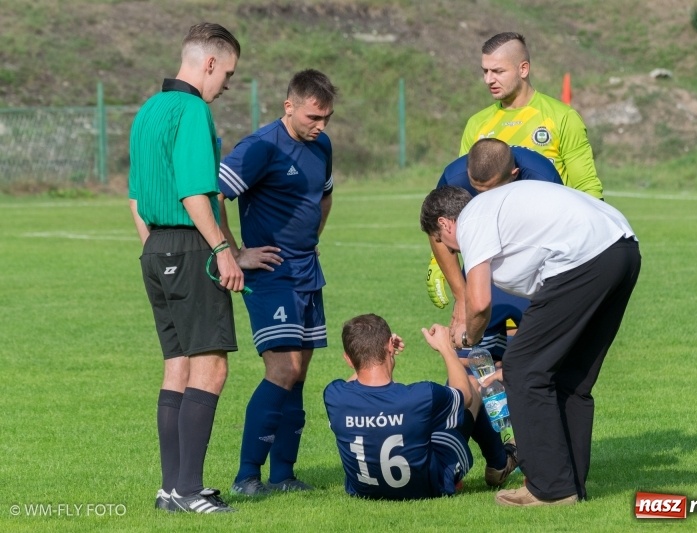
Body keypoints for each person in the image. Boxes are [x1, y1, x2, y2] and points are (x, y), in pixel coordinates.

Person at [420, 183, 641, 507]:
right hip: (623, 251)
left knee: (522, 368)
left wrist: (468, 339)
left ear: (444, 224)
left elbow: (479, 304)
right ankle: (569, 484)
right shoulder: (497, 212)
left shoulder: (471, 219)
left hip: (587, 258)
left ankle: (549, 487)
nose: (454, 252)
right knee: (569, 377)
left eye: (446, 246)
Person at [128, 22, 243, 513]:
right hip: (191, 247)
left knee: (176, 365)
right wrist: (219, 251)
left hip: (156, 248)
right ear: (209, 62)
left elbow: (135, 199)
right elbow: (196, 194)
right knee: (211, 366)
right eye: (228, 75)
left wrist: (163, 250)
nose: (225, 86)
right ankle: (190, 490)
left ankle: (170, 488)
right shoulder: (193, 109)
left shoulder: (148, 111)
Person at [217, 69, 337, 497]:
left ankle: (283, 475)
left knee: (299, 372)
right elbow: (213, 196)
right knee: (282, 368)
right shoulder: (260, 146)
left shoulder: (320, 144)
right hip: (270, 274)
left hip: (307, 270)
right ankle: (247, 476)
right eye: (313, 117)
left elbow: (324, 194)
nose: (320, 126)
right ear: (289, 106)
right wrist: (233, 252)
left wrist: (313, 237)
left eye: (326, 118)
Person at [428, 138, 563, 487]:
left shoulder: (542, 177)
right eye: (477, 190)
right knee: (466, 367)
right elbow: (437, 233)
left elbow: (556, 239)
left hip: (531, 278)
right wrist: (462, 298)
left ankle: (535, 458)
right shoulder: (455, 174)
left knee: (527, 371)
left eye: (491, 190)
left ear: (514, 174)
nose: (483, 198)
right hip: (481, 277)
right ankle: (480, 460)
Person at [323, 314, 481, 500]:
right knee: (471, 383)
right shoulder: (421, 395)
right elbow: (466, 395)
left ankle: (499, 463)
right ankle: (499, 462)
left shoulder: (334, 395)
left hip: (363, 491)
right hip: (428, 489)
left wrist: (368, 354)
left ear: (348, 359)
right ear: (390, 345)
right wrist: (446, 348)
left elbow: (360, 382)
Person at [459, 31, 603, 199]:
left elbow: (586, 185)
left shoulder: (563, 117)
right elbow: (463, 187)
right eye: (485, 71)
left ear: (523, 69)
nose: (488, 79)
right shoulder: (477, 123)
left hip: (551, 223)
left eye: (498, 71)